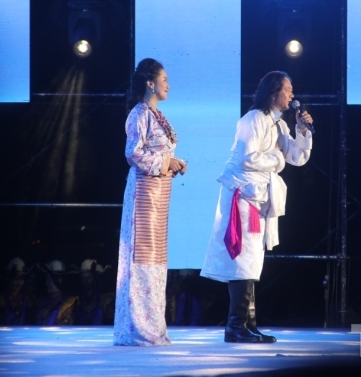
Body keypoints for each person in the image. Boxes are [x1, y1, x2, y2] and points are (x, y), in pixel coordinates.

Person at [200, 71, 313, 343]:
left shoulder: (280, 125)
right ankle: (235, 326)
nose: (292, 95)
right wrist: (276, 159)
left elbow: (297, 157)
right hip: (243, 196)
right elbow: (246, 157)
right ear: (273, 92)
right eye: (287, 89)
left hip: (259, 197)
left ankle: (248, 324)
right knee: (244, 257)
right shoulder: (253, 119)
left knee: (253, 259)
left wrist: (302, 131)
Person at [113, 58, 187, 346]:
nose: (168, 84)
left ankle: (154, 327)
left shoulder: (157, 115)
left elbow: (159, 153)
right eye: (164, 79)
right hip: (144, 195)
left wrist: (175, 163)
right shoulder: (139, 114)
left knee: (156, 261)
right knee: (142, 259)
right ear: (150, 82)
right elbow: (133, 153)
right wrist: (167, 162)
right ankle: (138, 329)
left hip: (159, 195)